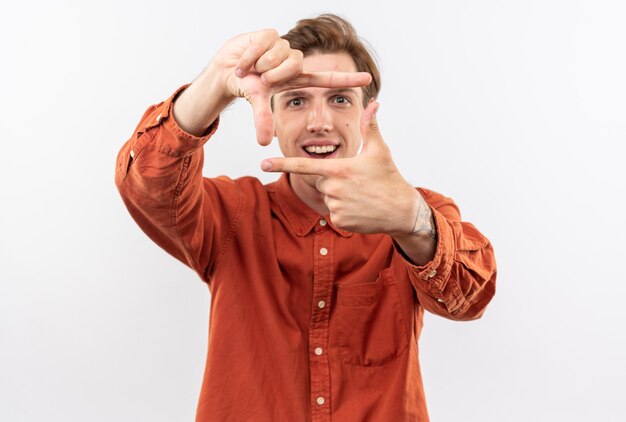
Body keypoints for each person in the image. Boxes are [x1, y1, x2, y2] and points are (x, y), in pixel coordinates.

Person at [115, 13, 496, 422]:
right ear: (273, 117)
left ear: (368, 114)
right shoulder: (231, 214)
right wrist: (214, 83)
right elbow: (146, 183)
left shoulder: (418, 212)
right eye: (297, 100)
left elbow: (470, 298)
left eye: (339, 100)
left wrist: (410, 219)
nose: (319, 123)